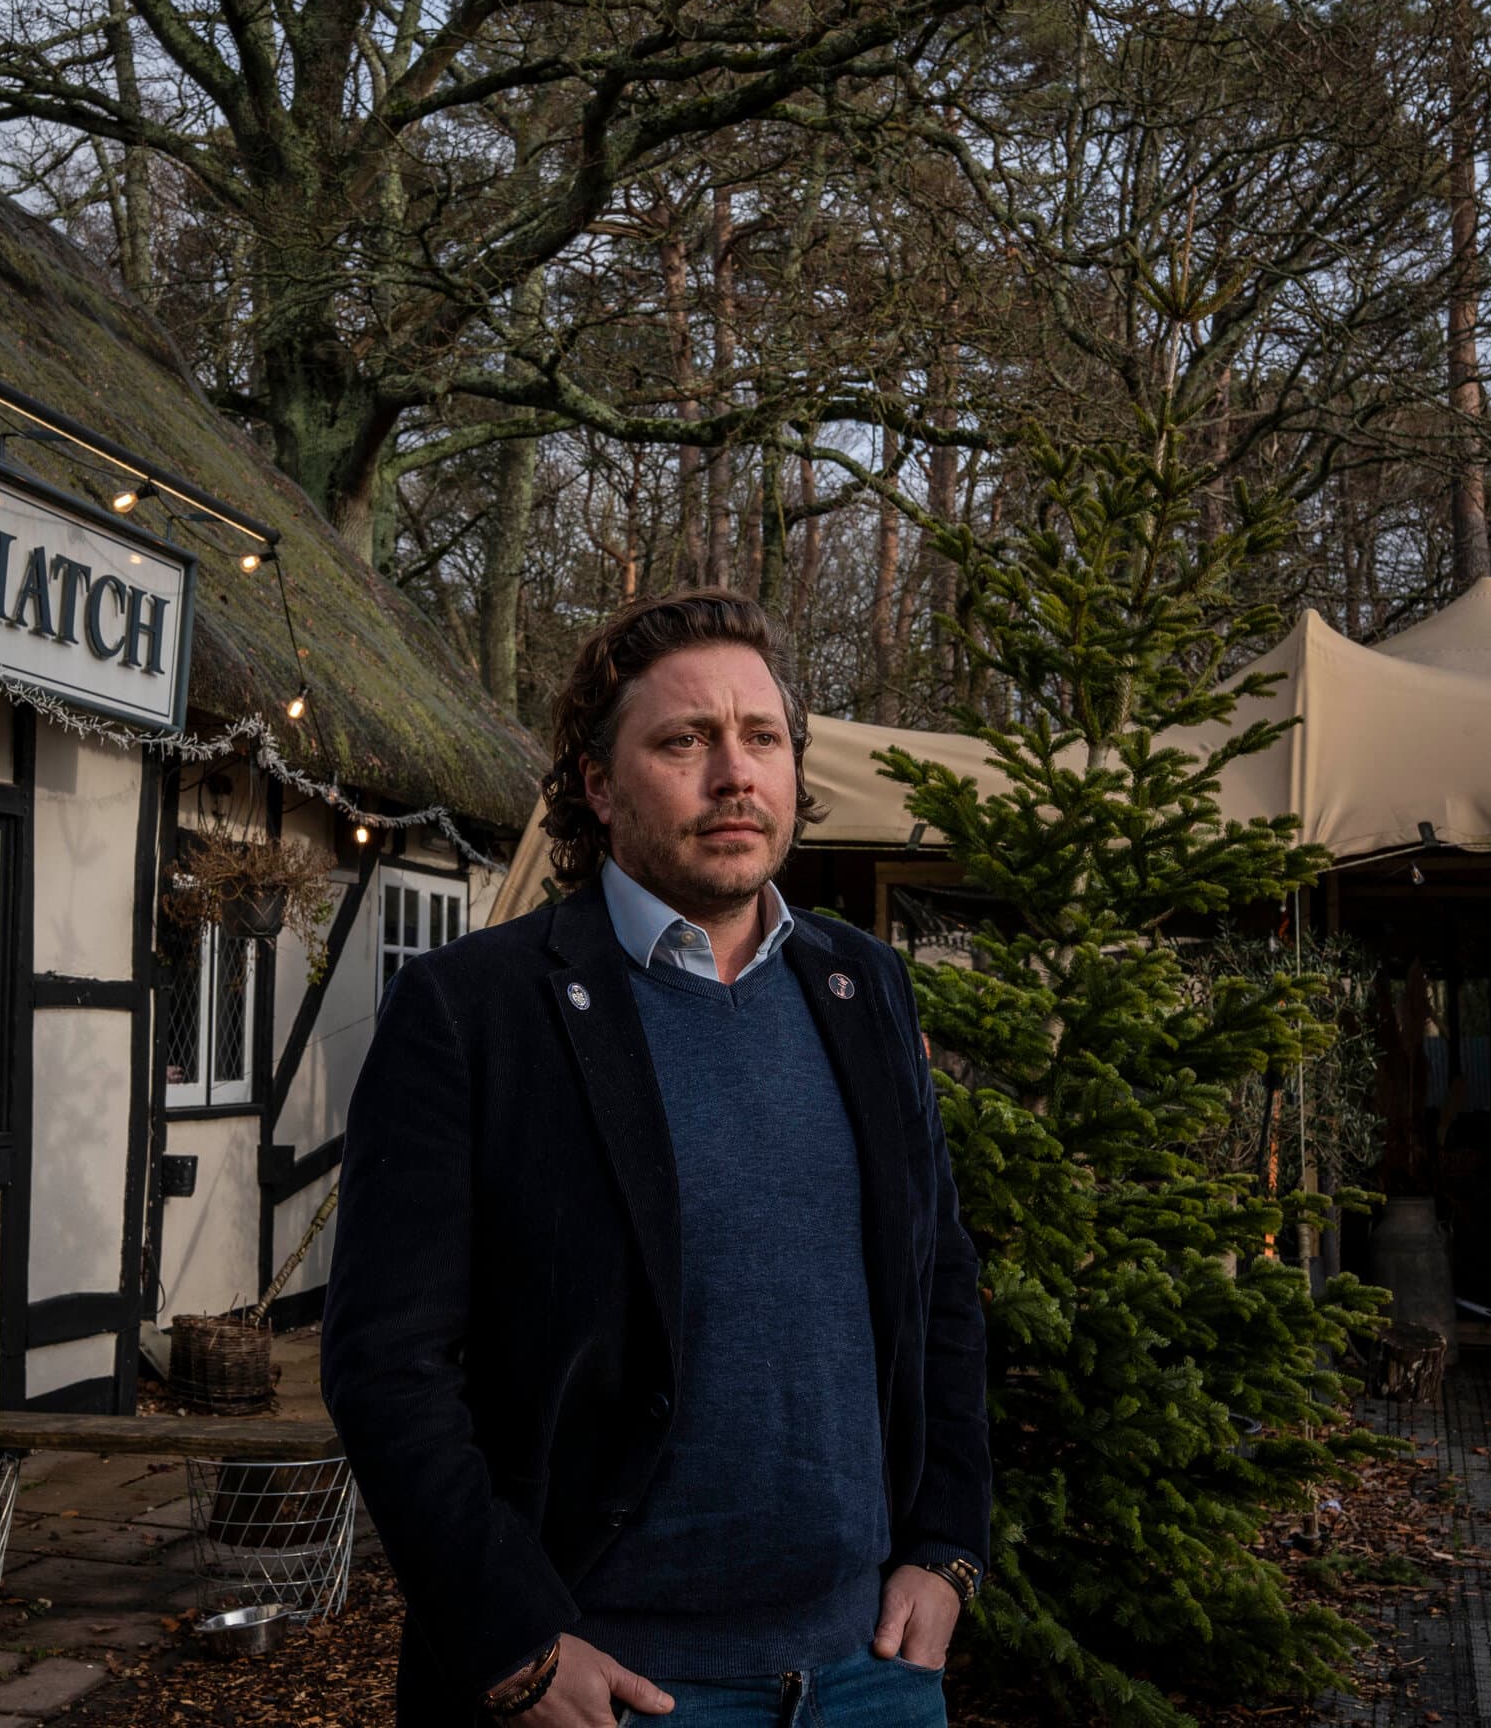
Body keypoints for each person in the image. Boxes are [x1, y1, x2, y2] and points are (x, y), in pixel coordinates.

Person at [320, 589, 991, 1727]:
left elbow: (941, 1285)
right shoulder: (473, 1011)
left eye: (762, 738)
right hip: (610, 1687)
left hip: (869, 1673)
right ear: (596, 782)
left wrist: (948, 1546)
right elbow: (387, 1365)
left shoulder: (862, 985)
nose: (735, 775)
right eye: (685, 741)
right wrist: (517, 1645)